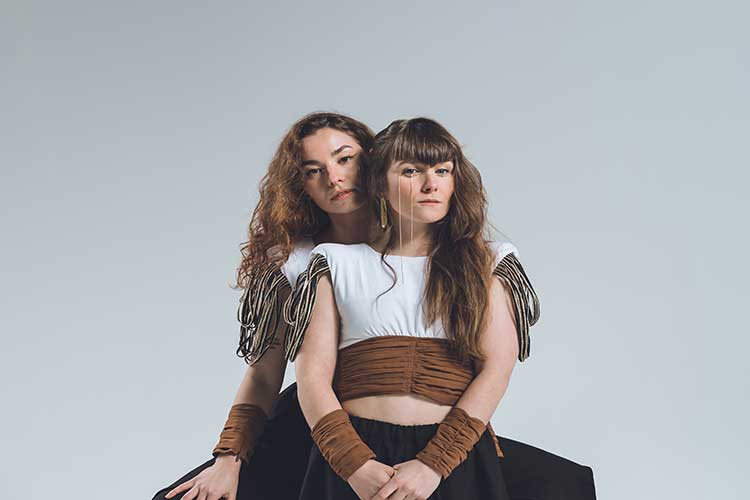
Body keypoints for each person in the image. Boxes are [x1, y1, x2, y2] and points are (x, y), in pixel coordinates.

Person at [150, 114, 596, 500]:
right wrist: (229, 459)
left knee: (561, 485)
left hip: (438, 428)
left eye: (345, 159)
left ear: (374, 163)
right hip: (321, 422)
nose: (334, 177)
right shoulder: (305, 262)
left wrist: (439, 458)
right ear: (300, 186)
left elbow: (495, 364)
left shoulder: (454, 249)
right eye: (313, 170)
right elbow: (266, 374)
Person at [286, 117, 594, 499]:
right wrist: (355, 466)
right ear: (379, 183)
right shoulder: (335, 263)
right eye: (411, 171)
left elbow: (496, 370)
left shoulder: (487, 263)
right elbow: (312, 377)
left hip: (451, 460)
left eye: (442, 170)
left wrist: (433, 465)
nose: (431, 184)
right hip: (353, 464)